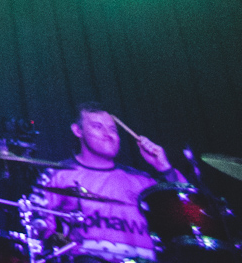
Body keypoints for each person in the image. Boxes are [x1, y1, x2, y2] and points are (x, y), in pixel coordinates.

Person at [33, 104, 184, 262]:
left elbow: (186, 211)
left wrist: (164, 168)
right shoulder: (58, 175)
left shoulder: (141, 180)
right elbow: (38, 226)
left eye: (113, 129)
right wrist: (71, 248)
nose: (108, 134)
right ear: (78, 131)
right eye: (97, 127)